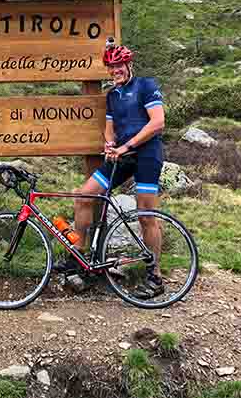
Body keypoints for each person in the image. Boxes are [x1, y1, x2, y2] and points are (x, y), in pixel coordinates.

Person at [57, 38, 166, 299]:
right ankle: (78, 255)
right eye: (110, 67)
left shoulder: (145, 85)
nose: (115, 70)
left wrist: (126, 145)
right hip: (122, 156)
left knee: (146, 216)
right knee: (84, 197)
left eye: (119, 65)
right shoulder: (113, 95)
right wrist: (109, 144)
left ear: (129, 64)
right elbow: (109, 127)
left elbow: (157, 122)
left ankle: (155, 276)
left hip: (147, 155)